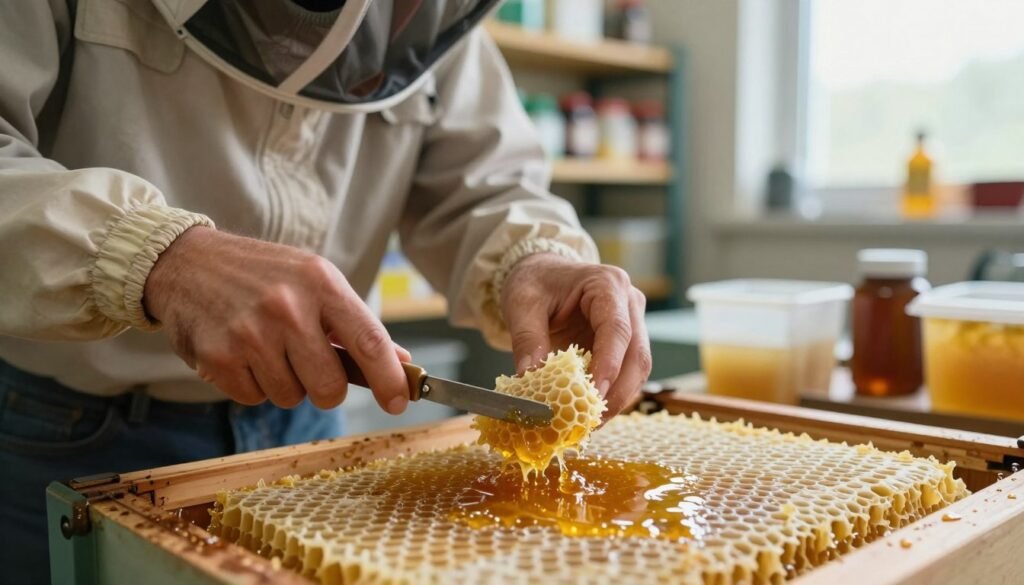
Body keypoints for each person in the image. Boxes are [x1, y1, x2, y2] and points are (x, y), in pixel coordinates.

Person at [0, 1, 652, 582]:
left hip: (309, 418)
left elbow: (487, 182)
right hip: (65, 430)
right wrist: (156, 258)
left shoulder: (433, 16)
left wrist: (535, 257)